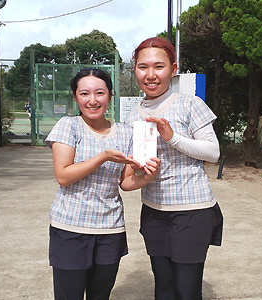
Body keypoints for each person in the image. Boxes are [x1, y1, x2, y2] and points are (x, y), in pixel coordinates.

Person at [45, 68, 160, 300]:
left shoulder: (125, 132)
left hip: (110, 229)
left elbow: (125, 182)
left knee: (100, 296)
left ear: (110, 95)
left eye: (100, 93)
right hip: (70, 229)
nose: (93, 100)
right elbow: (64, 176)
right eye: (84, 94)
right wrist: (103, 157)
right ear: (76, 97)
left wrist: (147, 176)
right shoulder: (69, 126)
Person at [124, 37, 223, 299]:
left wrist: (172, 138)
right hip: (154, 211)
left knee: (187, 290)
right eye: (143, 67)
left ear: (174, 68)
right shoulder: (132, 115)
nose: (151, 75)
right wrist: (135, 165)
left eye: (159, 66)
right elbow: (132, 172)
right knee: (164, 286)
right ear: (134, 69)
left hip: (192, 211)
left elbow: (213, 152)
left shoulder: (189, 104)